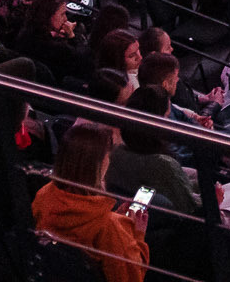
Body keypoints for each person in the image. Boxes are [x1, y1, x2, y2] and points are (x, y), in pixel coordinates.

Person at [32, 120, 152, 282]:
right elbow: (131, 278)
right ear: (99, 165)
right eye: (108, 155)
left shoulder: (43, 195)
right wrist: (137, 234)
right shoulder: (110, 227)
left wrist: (117, 218)